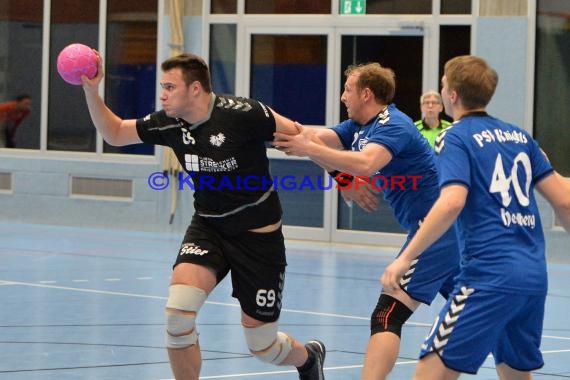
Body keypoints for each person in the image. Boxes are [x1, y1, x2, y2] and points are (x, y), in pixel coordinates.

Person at [80, 53, 326, 380]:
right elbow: (114, 133)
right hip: (209, 227)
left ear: (195, 89)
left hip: (258, 239)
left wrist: (347, 179)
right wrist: (91, 91)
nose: (162, 94)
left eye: (170, 87)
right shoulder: (167, 122)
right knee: (178, 316)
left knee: (262, 345)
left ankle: (308, 358)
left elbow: (301, 135)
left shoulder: (245, 114)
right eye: (162, 87)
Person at [381, 55, 570, 380]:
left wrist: (405, 259)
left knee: (429, 372)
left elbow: (452, 202)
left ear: (452, 95)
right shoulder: (520, 137)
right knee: (514, 373)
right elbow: (564, 200)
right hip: (534, 278)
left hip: (487, 278)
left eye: (442, 84)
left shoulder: (454, 136)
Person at [273, 62, 460, 380]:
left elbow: (366, 162)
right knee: (476, 311)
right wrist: (267, 125)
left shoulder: (393, 124)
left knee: (388, 314)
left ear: (367, 94)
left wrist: (313, 150)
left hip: (436, 231)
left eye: (348, 89)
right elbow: (312, 138)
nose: (343, 96)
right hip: (444, 231)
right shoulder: (357, 127)